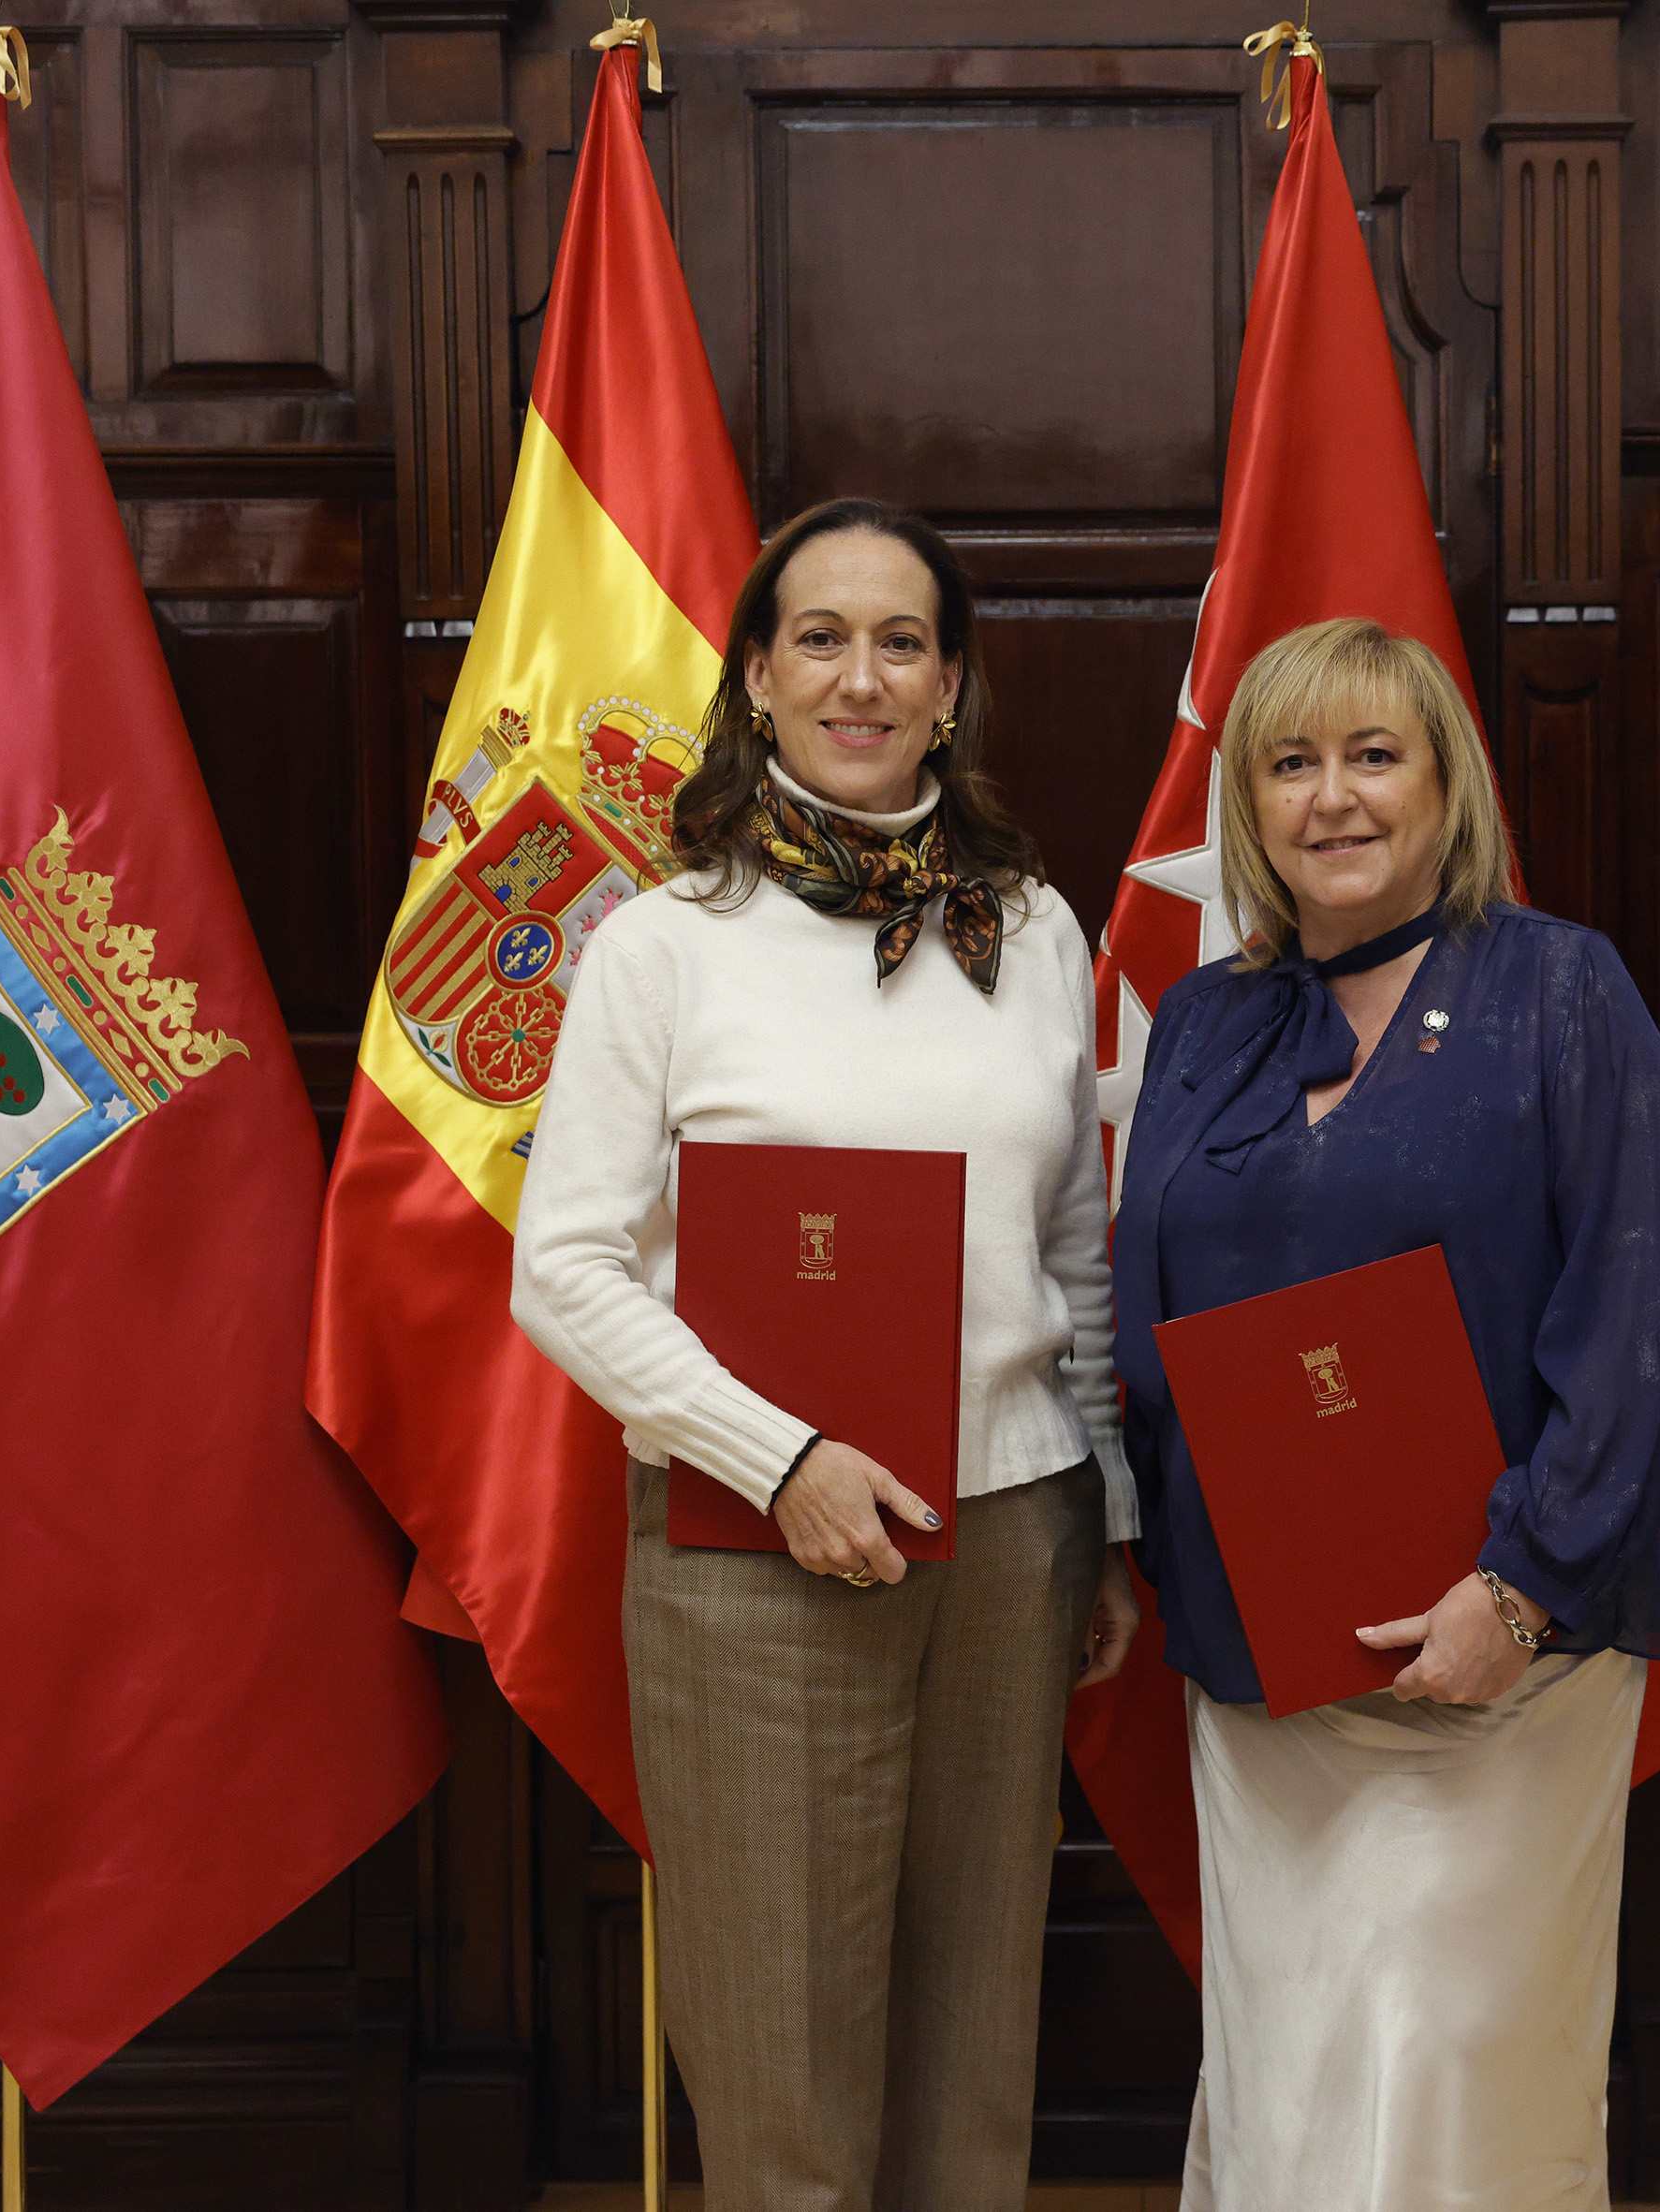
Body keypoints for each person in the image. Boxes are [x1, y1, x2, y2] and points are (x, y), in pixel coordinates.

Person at [509, 496, 1142, 2212]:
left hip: (1009, 1542)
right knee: (781, 2068)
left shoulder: (1035, 929)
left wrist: (1107, 1520)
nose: (861, 679)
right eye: (821, 639)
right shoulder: (662, 944)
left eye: (902, 643)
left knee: (971, 2048)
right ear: (757, 679)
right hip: (754, 1547)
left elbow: (1074, 1254)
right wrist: (776, 1456)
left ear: (951, 687)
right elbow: (562, 1271)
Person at [1111, 615, 1660, 2210]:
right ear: (1249, 804)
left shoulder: (1559, 988)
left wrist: (1521, 1590)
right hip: (1266, 1676)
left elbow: (1636, 1319)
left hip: (1505, 1661)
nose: (1333, 798)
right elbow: (1146, 1317)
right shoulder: (1204, 1021)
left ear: (1447, 785)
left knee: (1453, 2081)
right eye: (1290, 764)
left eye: (1374, 756)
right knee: (1292, 2076)